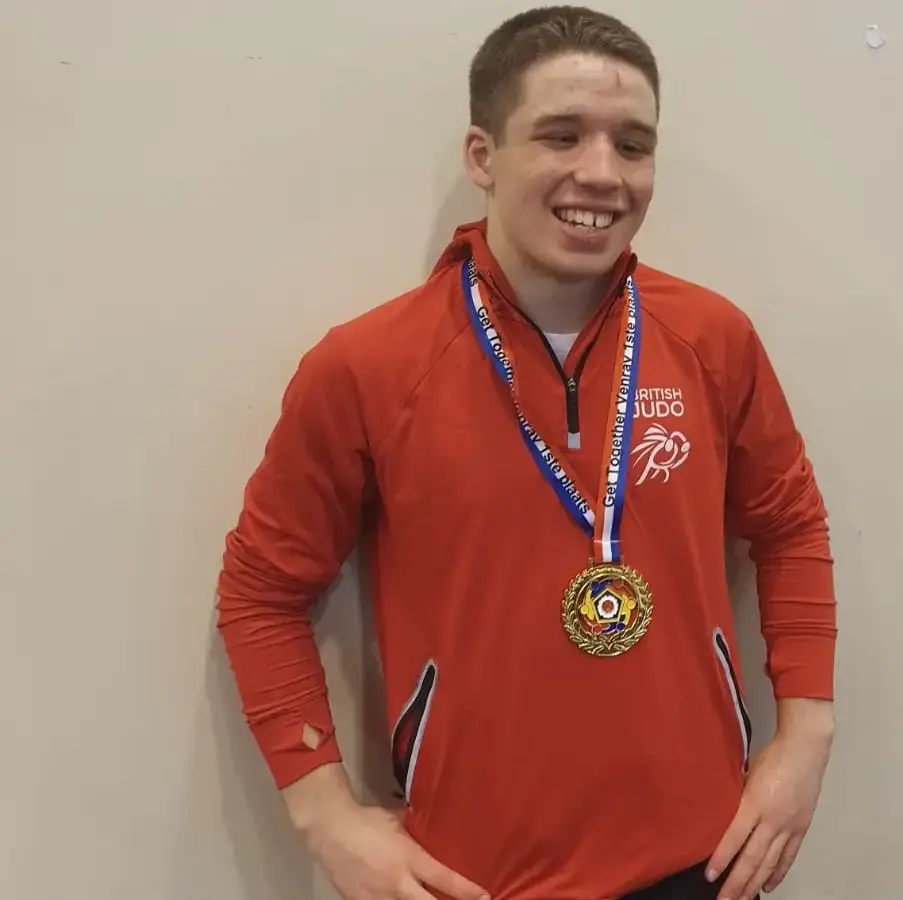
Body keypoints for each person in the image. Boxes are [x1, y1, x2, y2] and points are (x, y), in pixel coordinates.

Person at [215, 6, 837, 900]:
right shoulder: (369, 365)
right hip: (472, 877)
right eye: (560, 135)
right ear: (482, 156)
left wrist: (805, 736)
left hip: (703, 860)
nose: (602, 173)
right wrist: (328, 820)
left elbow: (790, 526)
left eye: (633, 144)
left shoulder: (713, 338)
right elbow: (260, 590)